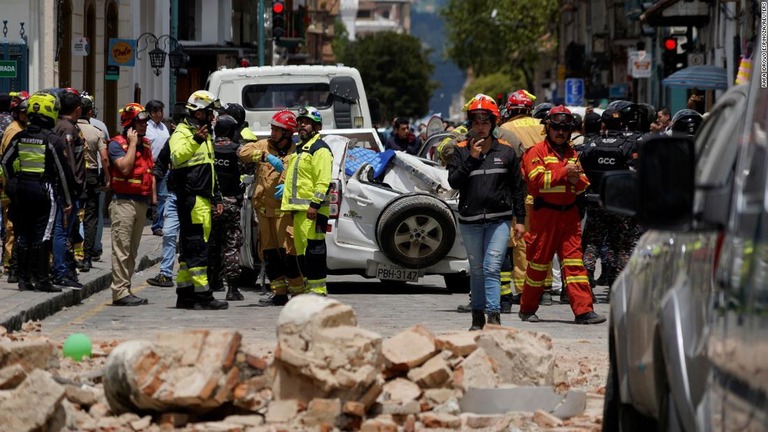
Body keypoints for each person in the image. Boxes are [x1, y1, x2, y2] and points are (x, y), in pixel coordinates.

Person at [519, 105, 606, 324]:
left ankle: (584, 311)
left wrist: (577, 180)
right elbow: (536, 183)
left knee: (575, 265)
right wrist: (564, 173)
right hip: (545, 215)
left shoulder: (571, 153)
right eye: (556, 128)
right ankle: (527, 309)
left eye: (565, 129)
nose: (561, 132)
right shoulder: (536, 152)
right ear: (548, 128)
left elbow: (582, 184)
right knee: (539, 264)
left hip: (569, 216)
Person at [447, 94, 526, 330]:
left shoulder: (507, 152)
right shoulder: (460, 150)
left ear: (494, 124)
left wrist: (519, 220)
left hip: (498, 220)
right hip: (470, 221)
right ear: (470, 124)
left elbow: (517, 188)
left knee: (492, 267)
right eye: (476, 122)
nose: (480, 127)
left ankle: (494, 317)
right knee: (478, 269)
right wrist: (471, 159)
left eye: (485, 122)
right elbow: (454, 182)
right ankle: (477, 316)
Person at [1, 91, 74, 292]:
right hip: (44, 190)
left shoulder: (20, 136)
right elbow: (63, 171)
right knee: (43, 234)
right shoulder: (52, 140)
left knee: (23, 234)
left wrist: (14, 180)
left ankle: (24, 279)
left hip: (22, 189)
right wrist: (68, 200)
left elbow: (5, 162)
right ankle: (42, 279)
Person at [169, 90, 228, 310]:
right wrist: (195, 140)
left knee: (189, 250)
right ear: (200, 112)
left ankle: (185, 295)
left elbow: (209, 169)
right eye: (211, 112)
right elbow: (176, 157)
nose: (214, 117)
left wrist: (217, 197)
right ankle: (203, 297)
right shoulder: (183, 133)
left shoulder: (204, 134)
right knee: (197, 248)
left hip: (203, 197)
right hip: (191, 198)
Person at [238, 110, 304, 306]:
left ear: (288, 133)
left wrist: (290, 184)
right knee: (269, 254)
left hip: (285, 212)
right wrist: (264, 156)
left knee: (289, 254)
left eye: (278, 130)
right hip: (264, 211)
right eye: (273, 129)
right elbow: (242, 152)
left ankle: (298, 293)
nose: (273, 133)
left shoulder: (297, 152)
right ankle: (279, 293)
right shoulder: (263, 145)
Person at [578, 109, 636, 300]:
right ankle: (616, 288)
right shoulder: (629, 145)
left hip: (596, 201)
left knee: (592, 243)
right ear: (621, 125)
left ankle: (586, 284)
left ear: (603, 124)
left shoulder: (591, 144)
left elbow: (581, 171)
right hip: (620, 204)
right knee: (620, 246)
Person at [280, 106, 333, 297]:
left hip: (313, 211)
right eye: (300, 122)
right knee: (304, 253)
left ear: (316, 127)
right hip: (300, 210)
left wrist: (314, 205)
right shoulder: (301, 149)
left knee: (315, 251)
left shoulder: (320, 150)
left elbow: (323, 181)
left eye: (307, 122)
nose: (302, 125)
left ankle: (318, 291)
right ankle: (310, 288)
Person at [108, 103, 155, 306]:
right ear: (130, 124)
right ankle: (119, 292)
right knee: (122, 249)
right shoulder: (116, 145)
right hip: (123, 203)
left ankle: (125, 288)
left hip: (141, 203)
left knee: (133, 251)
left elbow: (149, 173)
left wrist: (154, 202)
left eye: (145, 122)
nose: (144, 126)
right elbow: (125, 169)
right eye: (140, 122)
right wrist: (133, 144)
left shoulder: (146, 146)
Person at [208, 115, 246, 301]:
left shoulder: (209, 148)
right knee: (231, 245)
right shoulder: (237, 149)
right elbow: (249, 168)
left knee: (212, 244)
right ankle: (232, 290)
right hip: (231, 203)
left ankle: (213, 282)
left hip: (211, 205)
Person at [52, 88, 85, 288]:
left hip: (65, 188)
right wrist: (73, 190)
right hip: (67, 190)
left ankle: (64, 268)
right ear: (77, 109)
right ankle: (61, 271)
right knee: (62, 231)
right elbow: (70, 163)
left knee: (64, 231)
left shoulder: (61, 126)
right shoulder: (68, 130)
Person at [77, 93, 109, 273]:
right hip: (91, 175)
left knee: (72, 215)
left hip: (73, 176)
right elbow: (104, 158)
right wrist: (107, 177)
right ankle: (87, 257)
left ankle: (73, 254)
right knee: (91, 217)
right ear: (89, 112)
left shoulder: (69, 129)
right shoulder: (97, 131)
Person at [0, 91, 29, 283]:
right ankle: (10, 263)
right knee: (11, 225)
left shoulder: (20, 127)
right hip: (10, 185)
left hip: (14, 184)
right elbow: (10, 160)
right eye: (24, 112)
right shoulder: (14, 131)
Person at [145, 137, 179, 289]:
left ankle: (191, 274)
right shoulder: (173, 140)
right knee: (169, 233)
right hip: (174, 196)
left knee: (191, 238)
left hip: (194, 198)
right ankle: (165, 274)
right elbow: (159, 166)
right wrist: (152, 199)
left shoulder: (203, 141)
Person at [145, 100, 170, 237]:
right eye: (159, 111)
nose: (161, 114)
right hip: (150, 165)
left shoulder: (163, 127)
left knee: (162, 196)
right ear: (152, 113)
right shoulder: (147, 127)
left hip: (164, 166)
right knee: (149, 197)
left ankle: (157, 225)